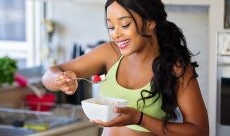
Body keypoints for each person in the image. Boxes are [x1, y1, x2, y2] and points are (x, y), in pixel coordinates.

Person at [42, 0, 209, 135]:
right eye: (111, 27)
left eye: (125, 24)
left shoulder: (175, 67)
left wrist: (140, 119)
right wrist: (59, 80)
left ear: (150, 23)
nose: (116, 34)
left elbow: (200, 131)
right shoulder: (110, 53)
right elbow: (49, 75)